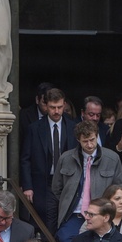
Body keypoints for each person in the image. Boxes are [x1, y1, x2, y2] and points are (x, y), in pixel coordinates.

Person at [52, 120, 122, 242]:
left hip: (101, 214)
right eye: (85, 141)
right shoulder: (66, 158)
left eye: (92, 139)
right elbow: (57, 188)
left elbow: (119, 187)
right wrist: (67, 200)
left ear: (97, 136)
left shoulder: (112, 158)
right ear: (78, 140)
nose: (90, 145)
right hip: (73, 214)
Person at [20, 87, 78, 231]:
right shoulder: (34, 128)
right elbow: (25, 158)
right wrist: (27, 186)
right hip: (44, 182)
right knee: (47, 221)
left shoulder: (73, 126)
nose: (57, 111)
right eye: (52, 107)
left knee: (66, 219)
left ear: (64, 105)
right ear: (45, 106)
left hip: (68, 181)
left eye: (59, 107)